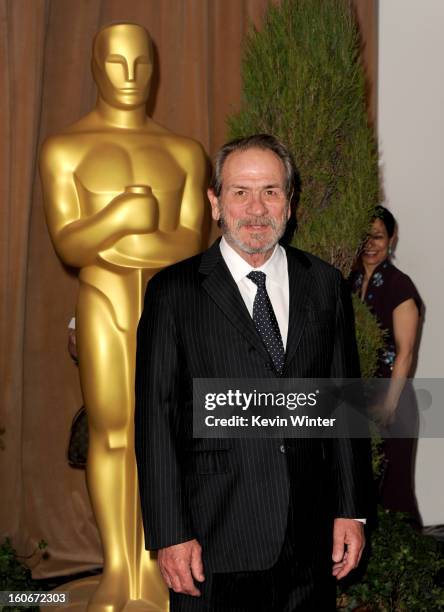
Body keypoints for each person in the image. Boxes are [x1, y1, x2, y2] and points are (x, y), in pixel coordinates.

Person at [135, 134, 370, 611]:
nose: (256, 208)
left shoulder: (324, 284)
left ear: (290, 200)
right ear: (215, 202)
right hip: (213, 537)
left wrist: (351, 510)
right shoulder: (173, 292)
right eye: (240, 192)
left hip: (309, 539)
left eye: (271, 191)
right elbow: (155, 418)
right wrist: (170, 533)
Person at [40, 23, 207, 611]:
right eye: (116, 63)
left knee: (163, 432)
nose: (131, 77)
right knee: (113, 431)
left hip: (170, 311)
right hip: (104, 302)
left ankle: (157, 559)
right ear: (95, 67)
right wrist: (126, 216)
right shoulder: (66, 149)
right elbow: (69, 244)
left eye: (141, 64)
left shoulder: (184, 153)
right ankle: (119, 566)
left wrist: (113, 238)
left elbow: (189, 245)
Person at [349, 205, 422, 523]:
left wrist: (389, 405)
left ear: (392, 238)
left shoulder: (399, 285)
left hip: (392, 400)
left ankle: (409, 568)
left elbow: (405, 353)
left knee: (394, 492)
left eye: (377, 236)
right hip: (353, 399)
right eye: (365, 235)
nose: (370, 243)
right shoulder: (347, 281)